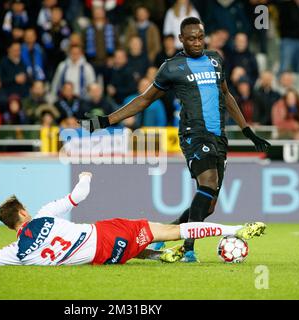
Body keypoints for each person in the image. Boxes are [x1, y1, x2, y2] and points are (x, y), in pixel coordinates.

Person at [82, 17, 270, 263]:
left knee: (209, 205)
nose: (197, 42)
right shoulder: (172, 67)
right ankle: (188, 249)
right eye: (191, 38)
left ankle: (160, 236)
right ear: (181, 39)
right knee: (208, 184)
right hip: (193, 134)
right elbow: (144, 99)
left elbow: (227, 95)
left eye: (200, 37)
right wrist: (106, 121)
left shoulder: (215, 60)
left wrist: (247, 130)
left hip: (218, 137)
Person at [0, 172, 266, 266]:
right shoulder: (43, 215)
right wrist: (86, 176)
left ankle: (157, 254)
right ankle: (237, 228)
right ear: (23, 213)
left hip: (103, 258)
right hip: (107, 233)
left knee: (131, 249)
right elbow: (79, 196)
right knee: (172, 229)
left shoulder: (15, 253)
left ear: (12, 224)